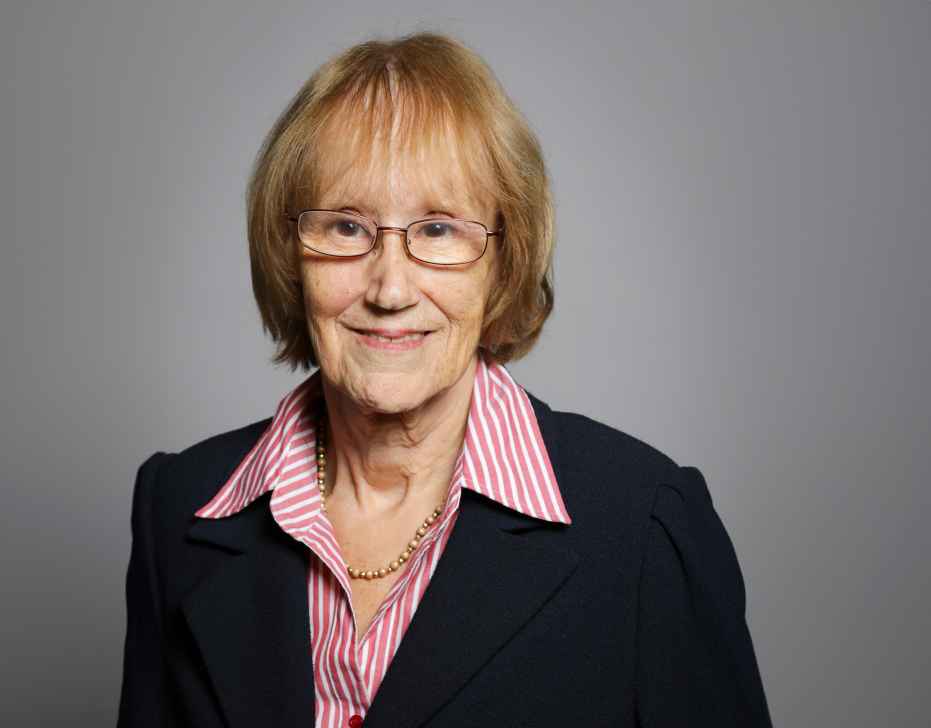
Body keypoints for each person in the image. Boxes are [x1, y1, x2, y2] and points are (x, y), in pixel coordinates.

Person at [117, 32, 772, 728]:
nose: (390, 289)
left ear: (503, 261)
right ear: (290, 253)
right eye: (345, 227)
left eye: (437, 230)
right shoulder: (177, 510)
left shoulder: (644, 528)